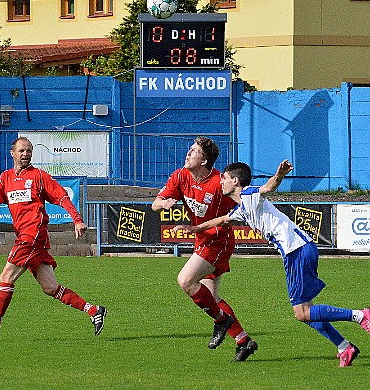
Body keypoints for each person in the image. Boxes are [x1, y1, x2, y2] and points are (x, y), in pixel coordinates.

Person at [173, 159, 370, 368]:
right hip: (298, 250)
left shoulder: (249, 194)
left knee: (302, 313)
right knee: (307, 312)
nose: (221, 181)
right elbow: (221, 220)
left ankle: (360, 315)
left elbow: (268, 187)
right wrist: (194, 229)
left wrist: (280, 174)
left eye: (224, 178)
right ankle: (343, 347)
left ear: (236, 181)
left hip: (297, 251)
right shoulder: (243, 207)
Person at [0, 137, 106, 341]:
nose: (26, 154)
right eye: (22, 151)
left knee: (6, 277)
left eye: (29, 151)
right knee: (50, 287)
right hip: (29, 238)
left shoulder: (39, 177)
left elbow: (62, 197)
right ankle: (94, 310)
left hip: (32, 236)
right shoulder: (6, 178)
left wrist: (77, 219)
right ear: (12, 153)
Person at [152, 136, 258, 362]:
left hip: (219, 242)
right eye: (189, 149)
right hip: (201, 242)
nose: (188, 153)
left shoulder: (221, 181)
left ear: (204, 160)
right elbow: (155, 203)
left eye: (194, 151)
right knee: (210, 296)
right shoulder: (181, 176)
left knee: (186, 280)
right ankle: (243, 340)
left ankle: (221, 321)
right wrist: (164, 203)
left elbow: (245, 200)